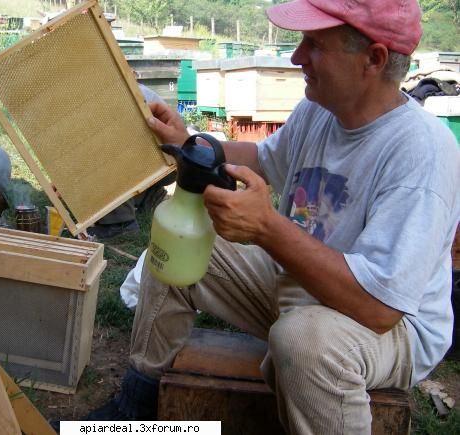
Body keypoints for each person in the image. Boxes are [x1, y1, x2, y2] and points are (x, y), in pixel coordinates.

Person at [86, 0, 460, 432]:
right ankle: (137, 406)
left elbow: (379, 308)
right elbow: (265, 159)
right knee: (180, 238)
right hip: (302, 286)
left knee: (304, 340)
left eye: (315, 44)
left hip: (389, 329)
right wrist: (189, 140)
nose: (296, 57)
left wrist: (267, 227)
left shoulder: (421, 153)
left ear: (373, 59)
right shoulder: (321, 108)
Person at [87, 84, 176, 240]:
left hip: (163, 161)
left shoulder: (120, 95)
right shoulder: (123, 88)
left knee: (107, 157)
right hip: (167, 161)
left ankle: (121, 224)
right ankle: (149, 197)